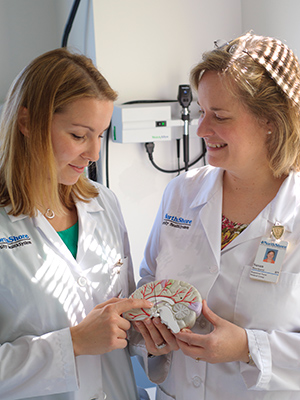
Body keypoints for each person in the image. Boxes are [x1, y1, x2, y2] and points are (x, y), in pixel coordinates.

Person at [131, 32, 300, 399]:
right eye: (203, 112)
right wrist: (152, 329)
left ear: (271, 121)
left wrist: (247, 347)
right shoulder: (182, 192)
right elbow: (149, 280)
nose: (202, 129)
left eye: (219, 116)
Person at [0, 48, 152, 400]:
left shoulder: (104, 203)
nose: (94, 153)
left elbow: (122, 321)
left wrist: (150, 331)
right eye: (79, 135)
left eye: (100, 134)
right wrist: (73, 344)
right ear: (27, 123)